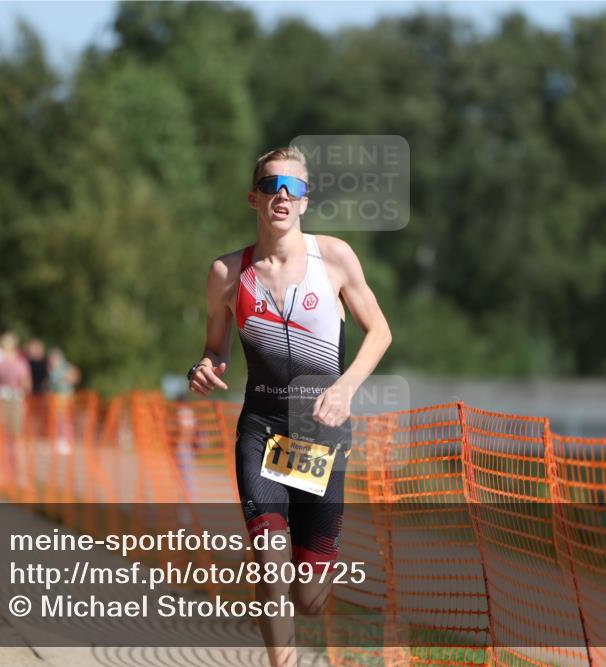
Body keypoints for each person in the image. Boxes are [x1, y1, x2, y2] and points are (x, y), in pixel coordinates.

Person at [189, 146, 391, 666]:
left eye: (293, 187)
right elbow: (216, 348)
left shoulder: (335, 258)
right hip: (261, 431)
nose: (282, 195)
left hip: (319, 433)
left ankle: (320, 565)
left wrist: (345, 389)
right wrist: (205, 367)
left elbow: (380, 332)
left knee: (308, 594)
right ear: (253, 197)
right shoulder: (228, 273)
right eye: (271, 185)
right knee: (270, 567)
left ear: (305, 200)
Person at [0, 332, 32, 485]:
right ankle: (1, 473)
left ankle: (20, 475)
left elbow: (27, 384)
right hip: (1, 401)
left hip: (15, 401)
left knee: (16, 439)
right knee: (1, 438)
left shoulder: (20, 362)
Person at [46, 347, 79, 455]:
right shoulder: (52, 369)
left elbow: (74, 377)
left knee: (64, 419)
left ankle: (66, 440)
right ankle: (60, 440)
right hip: (56, 397)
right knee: (58, 419)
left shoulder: (66, 367)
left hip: (65, 397)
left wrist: (65, 378)